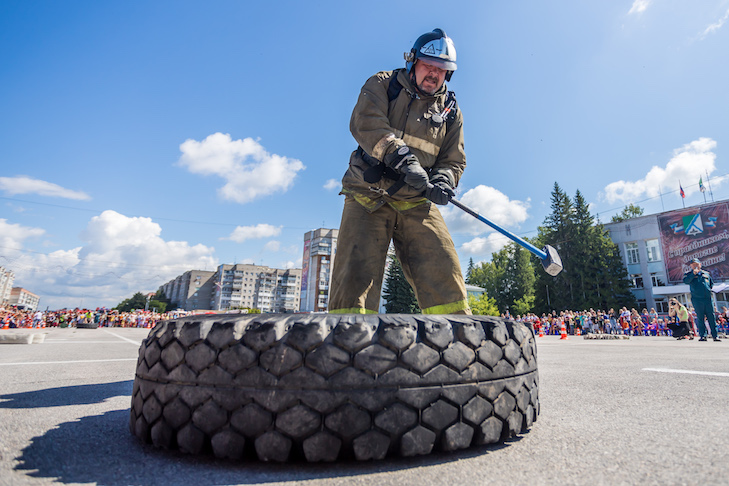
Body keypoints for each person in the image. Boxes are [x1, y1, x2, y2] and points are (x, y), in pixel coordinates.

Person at [329, 28, 470, 315]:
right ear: (412, 61)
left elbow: (453, 159)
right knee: (354, 280)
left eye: (441, 69)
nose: (434, 74)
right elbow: (367, 124)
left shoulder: (451, 111)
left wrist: (443, 180)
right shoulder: (382, 84)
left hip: (416, 199)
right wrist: (405, 160)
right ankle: (347, 347)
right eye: (428, 66)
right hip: (367, 196)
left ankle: (456, 343)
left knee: (444, 268)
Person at [683, 258, 721, 342]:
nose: (695, 266)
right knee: (700, 318)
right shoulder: (689, 274)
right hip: (697, 299)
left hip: (707, 299)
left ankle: (715, 336)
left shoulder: (706, 274)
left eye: (696, 264)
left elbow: (711, 284)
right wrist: (693, 274)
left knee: (711, 317)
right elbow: (686, 281)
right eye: (693, 264)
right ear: (691, 266)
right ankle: (703, 336)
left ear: (700, 264)